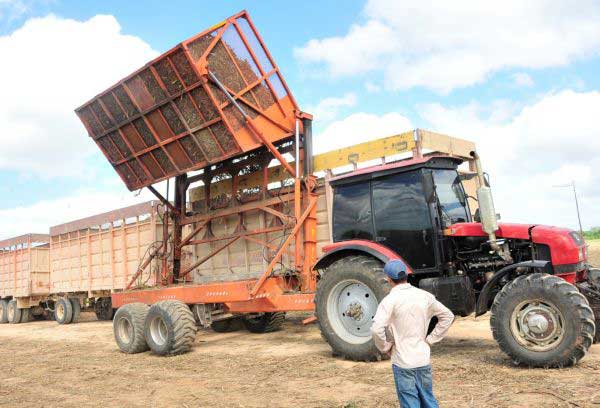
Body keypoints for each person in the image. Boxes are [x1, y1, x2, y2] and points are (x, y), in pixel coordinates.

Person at [371, 259, 454, 408]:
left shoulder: (390, 300)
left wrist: (385, 347)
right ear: (407, 275)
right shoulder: (424, 296)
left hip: (403, 361)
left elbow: (376, 328)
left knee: (410, 404)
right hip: (422, 359)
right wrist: (430, 340)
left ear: (389, 279)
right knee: (428, 401)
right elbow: (448, 316)